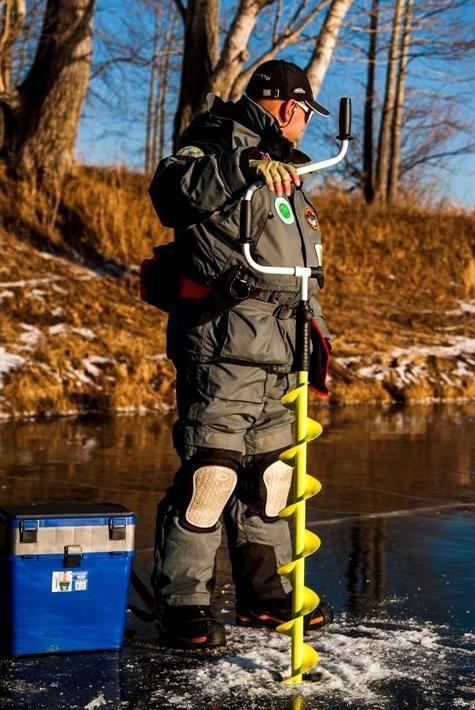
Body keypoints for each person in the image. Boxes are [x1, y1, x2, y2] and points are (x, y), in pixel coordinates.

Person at [147, 60, 334, 649]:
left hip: (283, 351)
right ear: (281, 104)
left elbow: (302, 277)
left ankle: (264, 594)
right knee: (213, 475)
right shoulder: (215, 144)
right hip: (224, 342)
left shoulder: (292, 177)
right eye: (303, 110)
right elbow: (172, 195)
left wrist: (318, 344)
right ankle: (181, 602)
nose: (305, 123)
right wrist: (242, 166)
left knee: (272, 477)